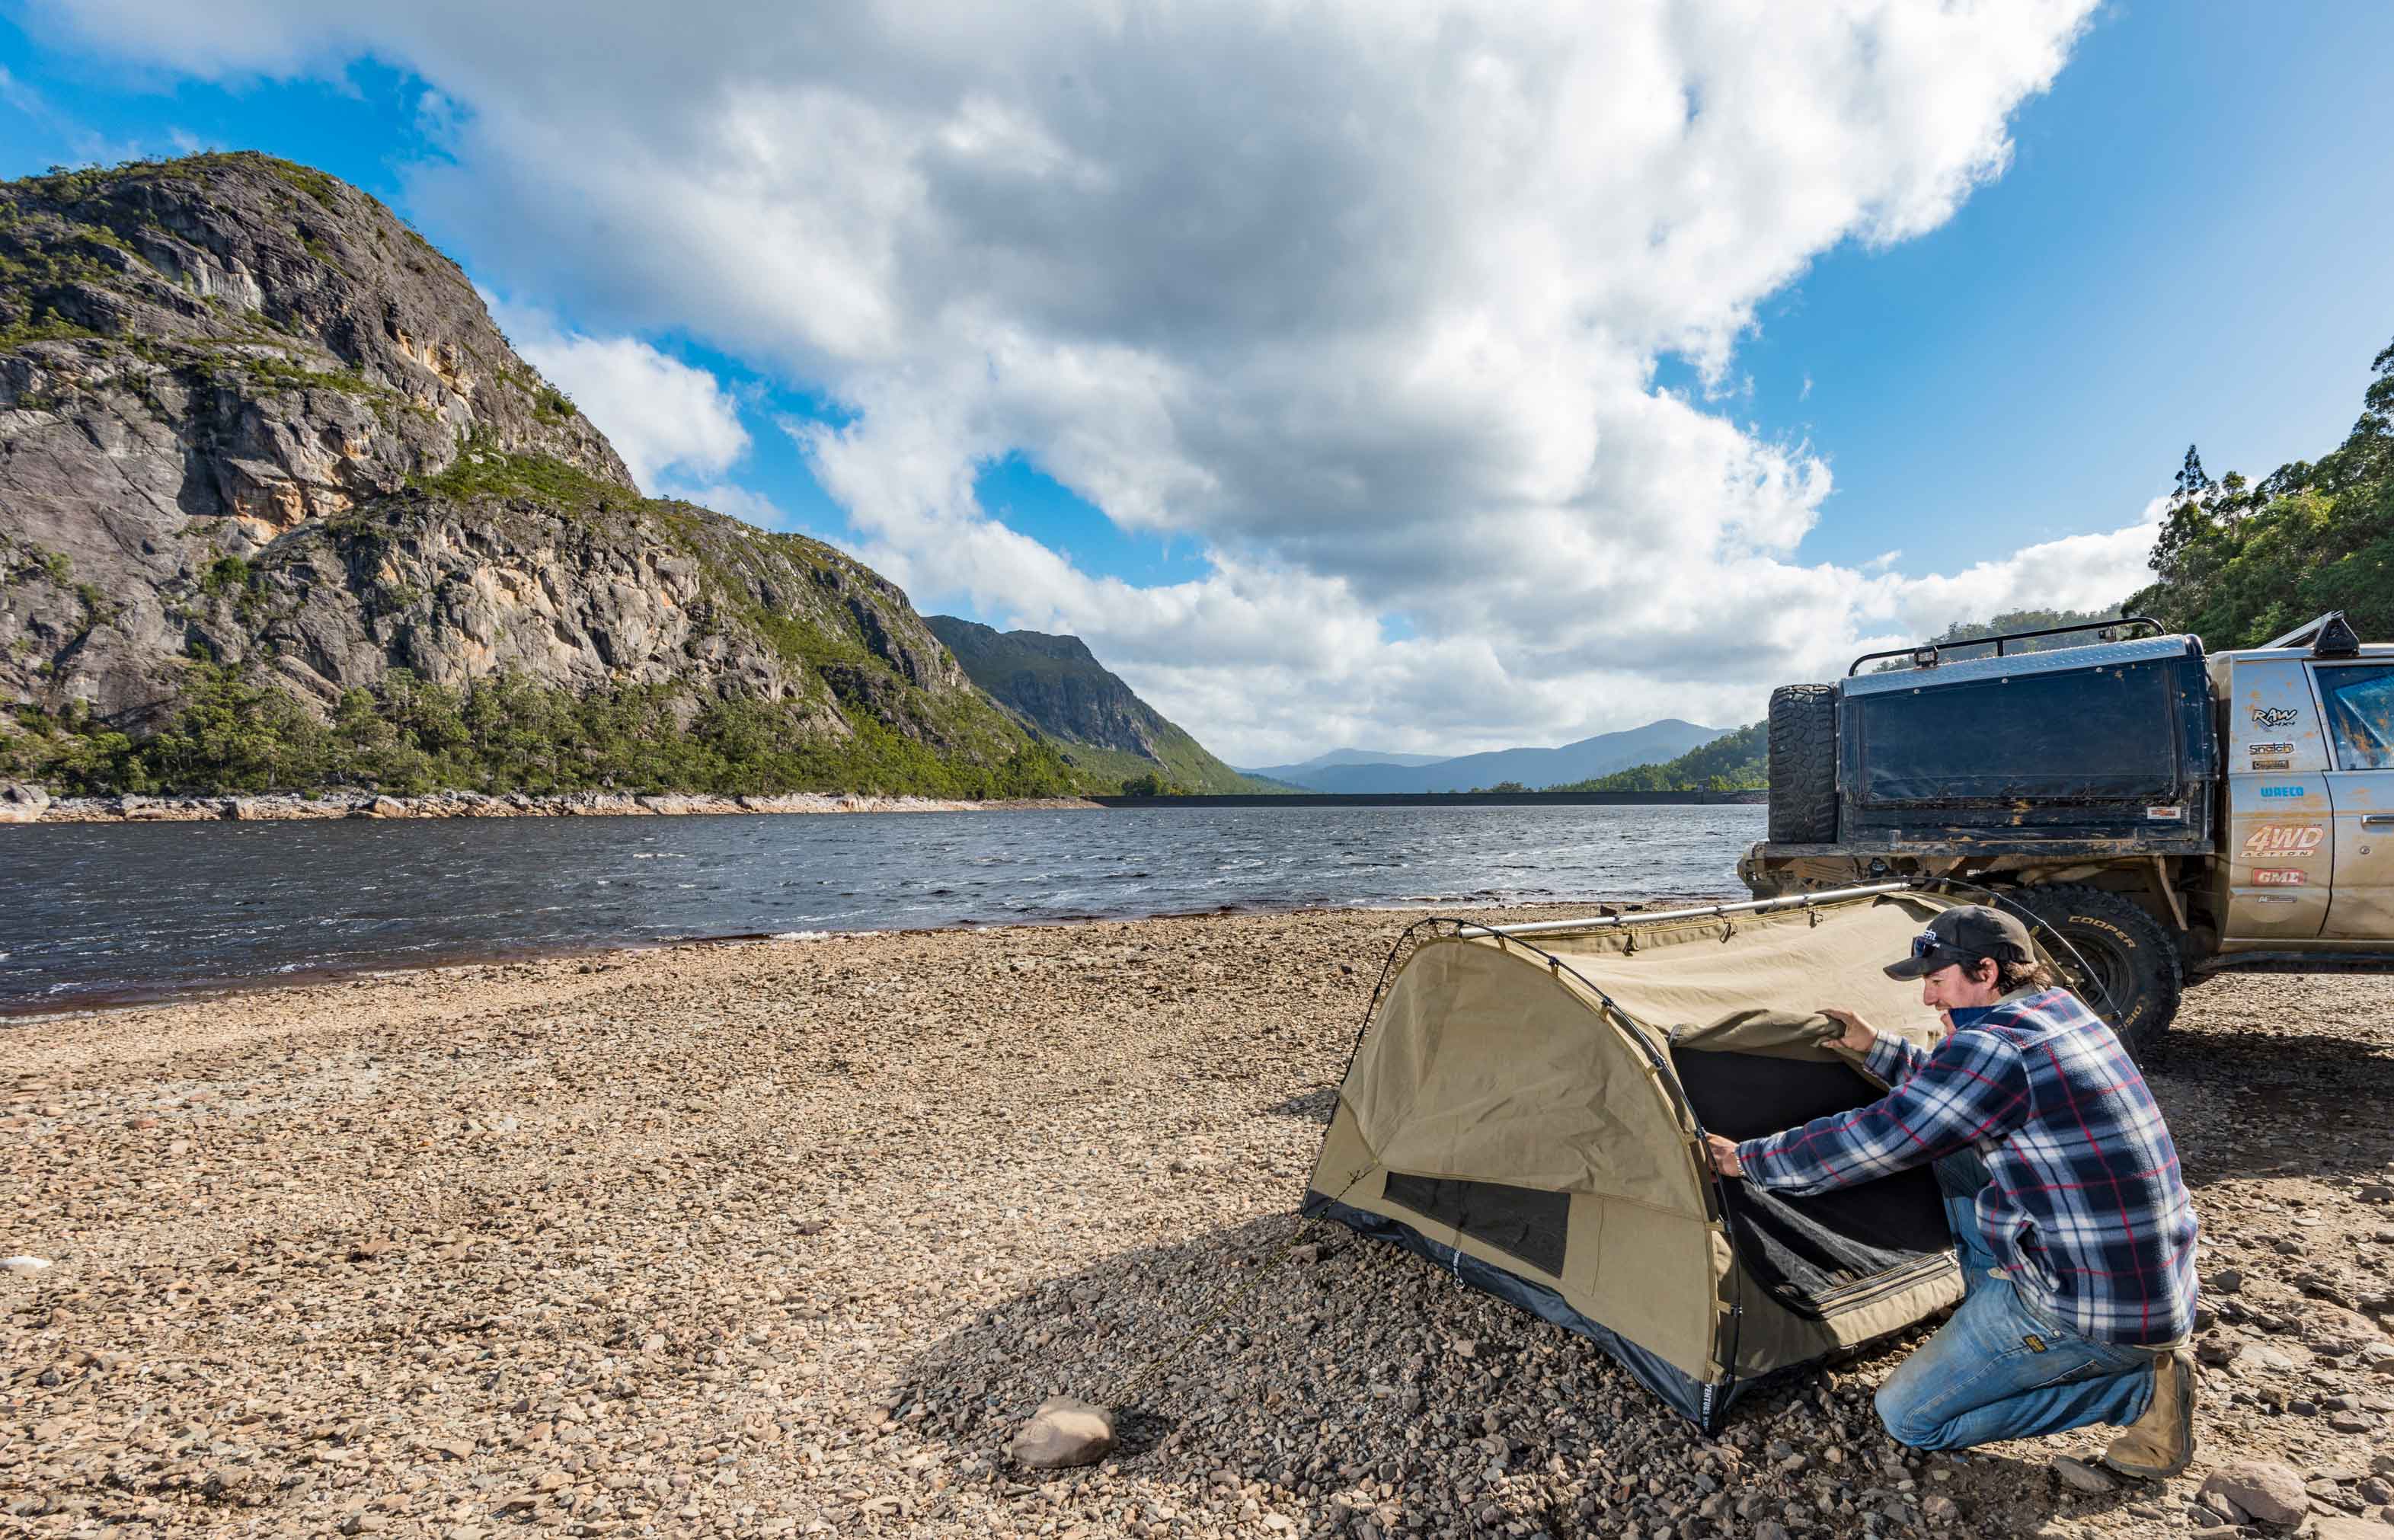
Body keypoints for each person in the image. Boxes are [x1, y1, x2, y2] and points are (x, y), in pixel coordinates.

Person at [1705, 904, 2201, 1475]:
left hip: (2088, 1312)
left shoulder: (1994, 1048)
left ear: (1985, 972)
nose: (1927, 1000)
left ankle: (2137, 1392)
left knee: (1910, 1418)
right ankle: (2004, 1320)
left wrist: (1745, 1160)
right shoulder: (2060, 1012)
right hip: (2152, 1282)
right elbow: (1961, 1096)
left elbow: (1872, 1141)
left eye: (1936, 982)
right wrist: (1876, 1048)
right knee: (1959, 1162)